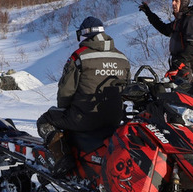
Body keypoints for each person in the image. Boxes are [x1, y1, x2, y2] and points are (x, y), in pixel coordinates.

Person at [36, 17, 130, 176]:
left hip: (84, 119)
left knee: (45, 120)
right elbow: (126, 89)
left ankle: (62, 159)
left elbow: (66, 92)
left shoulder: (80, 56)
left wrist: (64, 109)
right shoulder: (122, 58)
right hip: (114, 119)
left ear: (84, 35)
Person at [139, 0, 193, 80]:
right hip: (178, 66)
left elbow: (192, 46)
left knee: (188, 93)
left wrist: (180, 62)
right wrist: (149, 14)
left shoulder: (190, 20)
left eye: (176, 1)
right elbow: (164, 28)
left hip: (187, 67)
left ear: (183, 3)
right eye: (172, 1)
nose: (173, 3)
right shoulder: (179, 21)